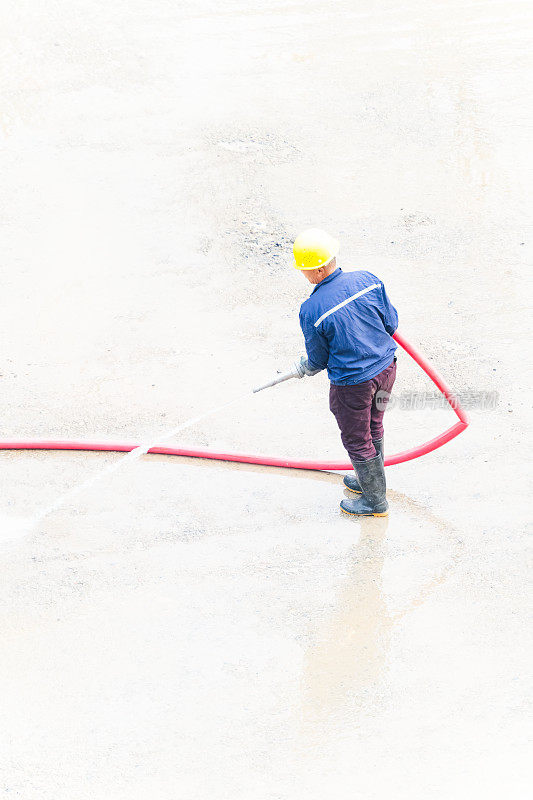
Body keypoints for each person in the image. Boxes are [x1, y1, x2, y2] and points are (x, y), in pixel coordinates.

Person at [293, 228, 398, 516]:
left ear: (311, 270)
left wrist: (305, 367)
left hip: (353, 384)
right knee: (374, 425)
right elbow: (391, 322)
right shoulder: (368, 280)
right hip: (387, 369)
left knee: (356, 438)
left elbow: (318, 359)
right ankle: (370, 483)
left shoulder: (311, 309)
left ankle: (374, 501)